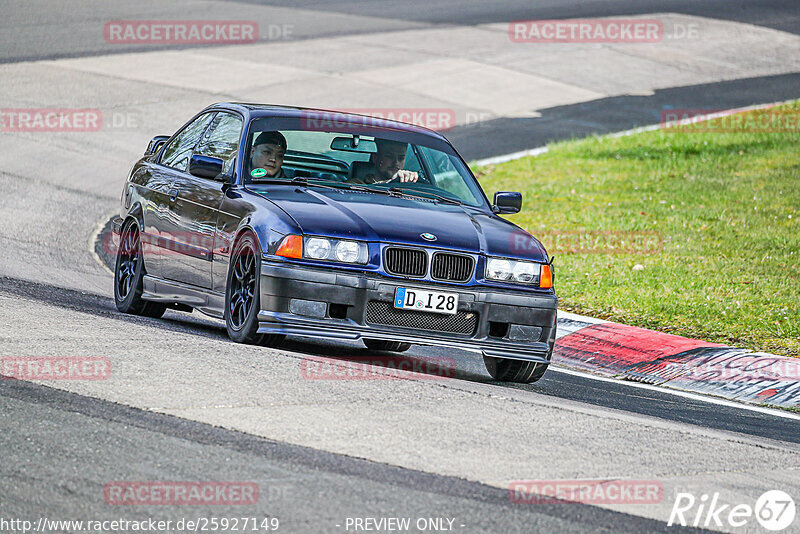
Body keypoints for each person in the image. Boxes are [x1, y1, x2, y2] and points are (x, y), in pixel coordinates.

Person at [349, 138, 418, 184]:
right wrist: (392, 182)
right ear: (375, 158)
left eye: (401, 158)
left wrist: (413, 179)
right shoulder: (356, 184)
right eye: (389, 157)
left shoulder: (408, 187)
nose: (396, 162)